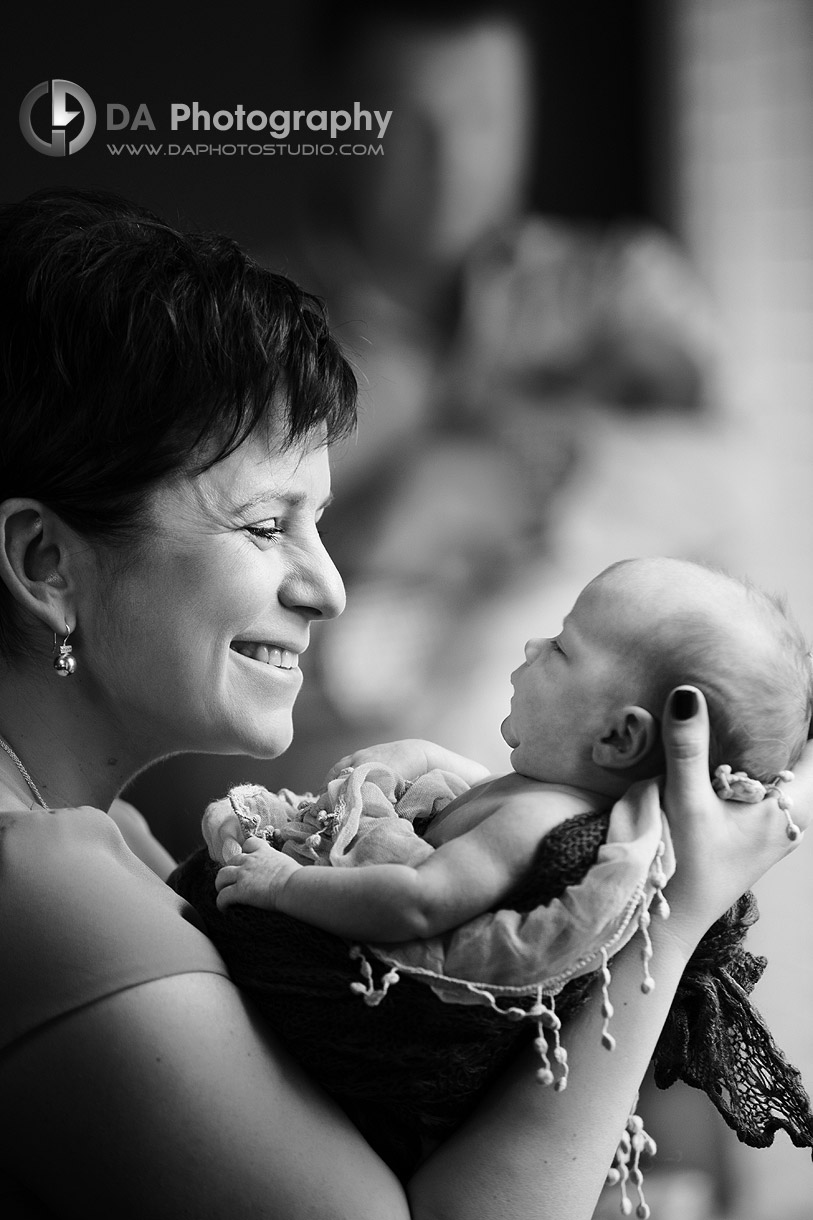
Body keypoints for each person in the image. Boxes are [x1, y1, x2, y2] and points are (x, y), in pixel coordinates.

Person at [0, 187, 809, 1220]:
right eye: (263, 526)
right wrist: (674, 903)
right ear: (43, 560)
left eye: (321, 522)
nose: (330, 588)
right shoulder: (45, 887)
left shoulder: (107, 837)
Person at [187, 558, 813, 1183]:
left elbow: (420, 900)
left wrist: (286, 884)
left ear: (620, 738)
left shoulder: (543, 821)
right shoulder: (539, 795)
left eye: (563, 648)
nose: (533, 643)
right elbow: (475, 792)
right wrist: (424, 753)